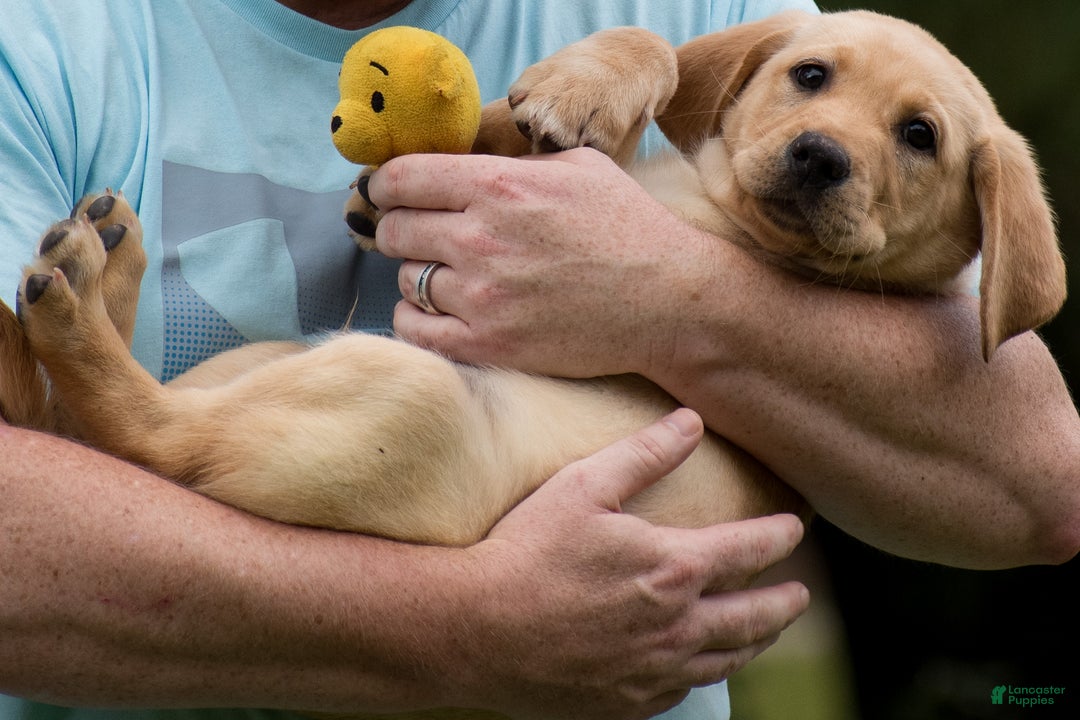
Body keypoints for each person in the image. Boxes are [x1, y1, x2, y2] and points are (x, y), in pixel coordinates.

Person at [0, 1, 1076, 719]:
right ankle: (114, 409)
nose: (828, 140)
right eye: (806, 81)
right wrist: (456, 626)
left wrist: (663, 297)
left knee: (389, 400)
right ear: (746, 81)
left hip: (467, 445)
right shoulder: (51, 39)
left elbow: (1044, 486)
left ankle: (113, 409)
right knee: (352, 390)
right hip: (438, 448)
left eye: (918, 137)